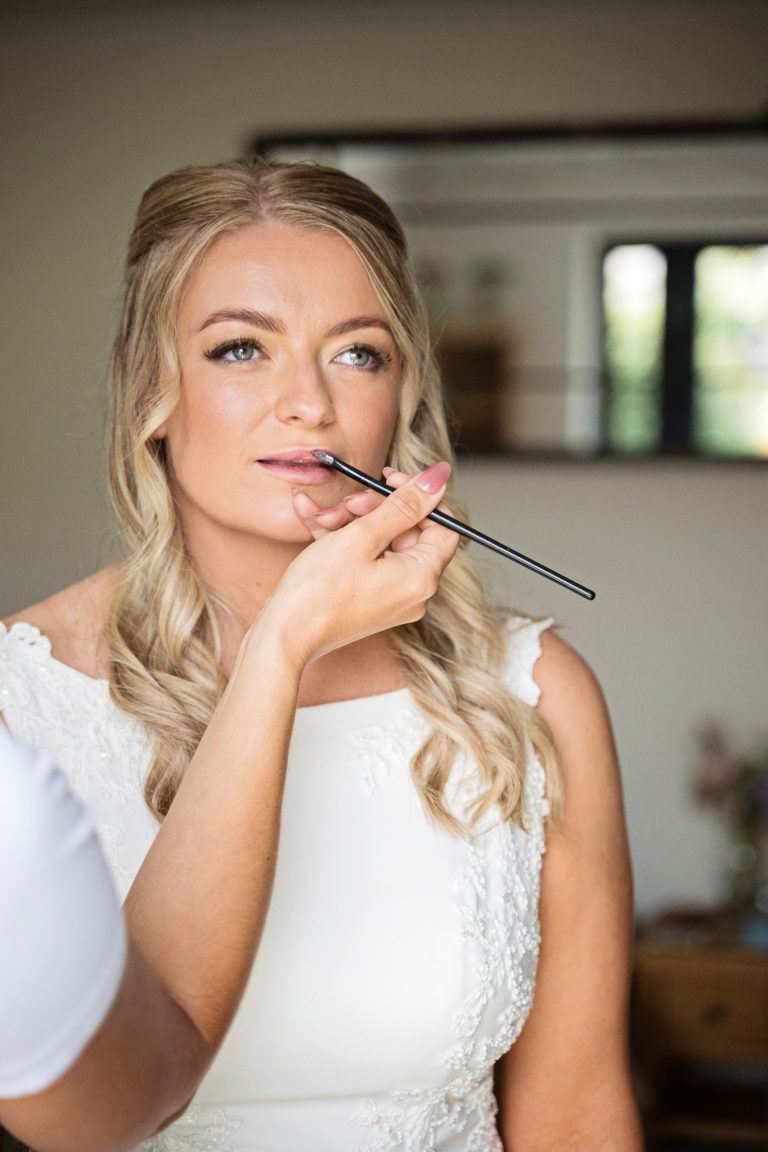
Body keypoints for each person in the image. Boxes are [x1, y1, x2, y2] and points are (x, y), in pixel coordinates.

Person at [0, 159, 642, 1151]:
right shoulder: (20, 702)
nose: (308, 403)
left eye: (357, 355)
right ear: (151, 392)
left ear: (401, 397)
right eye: (241, 348)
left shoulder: (535, 695)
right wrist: (281, 648)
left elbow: (577, 1111)